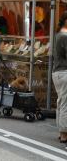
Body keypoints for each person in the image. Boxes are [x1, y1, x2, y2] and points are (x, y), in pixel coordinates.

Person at [53, 11, 67, 143]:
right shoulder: (65, 36)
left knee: (61, 101)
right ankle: (64, 133)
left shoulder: (58, 34)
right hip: (64, 72)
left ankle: (60, 131)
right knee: (65, 103)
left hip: (57, 72)